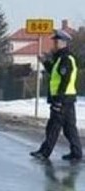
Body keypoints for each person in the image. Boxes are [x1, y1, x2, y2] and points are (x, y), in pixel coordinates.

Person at [31, 29, 82, 162]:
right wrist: (44, 62)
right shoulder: (61, 58)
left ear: (64, 42)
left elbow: (64, 80)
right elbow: (55, 73)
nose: (54, 43)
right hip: (67, 98)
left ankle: (45, 152)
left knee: (53, 126)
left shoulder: (66, 59)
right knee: (69, 128)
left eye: (56, 41)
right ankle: (76, 153)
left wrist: (58, 99)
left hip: (62, 99)